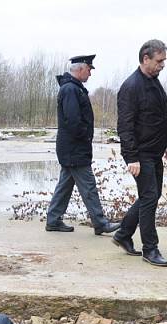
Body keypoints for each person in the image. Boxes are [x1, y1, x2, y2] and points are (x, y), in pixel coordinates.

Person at [113, 39, 167, 267]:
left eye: (164, 61)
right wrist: (132, 157)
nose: (162, 65)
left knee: (152, 195)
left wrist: (166, 143)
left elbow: (159, 118)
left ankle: (122, 234)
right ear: (145, 59)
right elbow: (125, 126)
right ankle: (150, 248)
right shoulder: (131, 87)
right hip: (140, 154)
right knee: (149, 197)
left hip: (155, 150)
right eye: (159, 61)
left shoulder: (155, 83)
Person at [45, 54, 120, 236]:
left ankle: (53, 220)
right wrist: (85, 137)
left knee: (65, 185)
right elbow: (73, 121)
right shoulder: (71, 89)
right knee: (89, 187)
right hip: (74, 148)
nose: (90, 74)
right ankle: (100, 222)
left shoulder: (73, 88)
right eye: (89, 70)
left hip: (72, 147)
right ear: (80, 69)